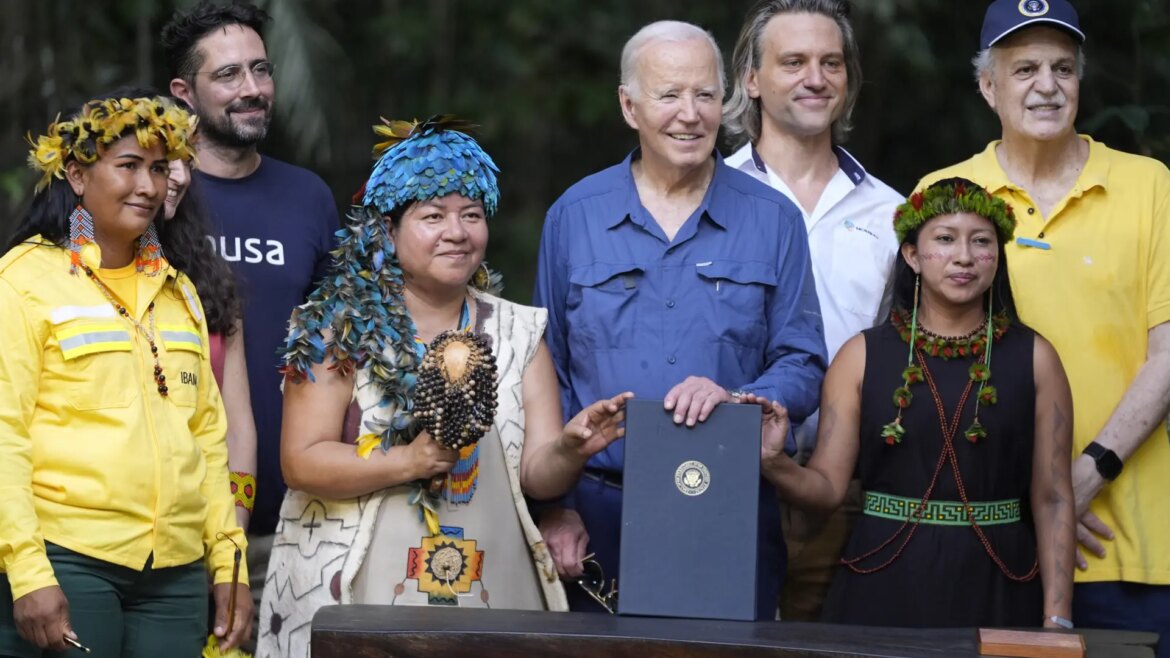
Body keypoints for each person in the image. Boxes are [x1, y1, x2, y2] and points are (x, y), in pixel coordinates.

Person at [256, 117, 629, 658]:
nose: (458, 232)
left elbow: (538, 476)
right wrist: (409, 461)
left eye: (472, 215)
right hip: (351, 585)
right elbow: (302, 461)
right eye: (433, 216)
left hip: (491, 585)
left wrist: (570, 448)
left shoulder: (518, 331)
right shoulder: (335, 329)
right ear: (385, 232)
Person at [533, 20, 828, 618]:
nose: (690, 114)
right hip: (597, 515)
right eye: (669, 95)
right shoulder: (575, 216)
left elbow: (802, 360)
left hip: (730, 504)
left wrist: (742, 397)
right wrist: (553, 508)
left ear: (726, 102)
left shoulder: (775, 219)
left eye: (705, 95)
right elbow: (547, 372)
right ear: (629, 105)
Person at [920, 0, 1170, 647]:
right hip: (991, 535)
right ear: (987, 86)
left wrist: (1085, 476)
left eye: (1064, 67)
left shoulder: (1150, 186)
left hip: (1129, 544)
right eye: (1025, 68)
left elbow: (1168, 351)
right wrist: (1034, 499)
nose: (1048, 85)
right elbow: (924, 371)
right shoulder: (944, 195)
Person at [756, 178, 1075, 627]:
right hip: (882, 578)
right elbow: (826, 489)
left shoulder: (1036, 359)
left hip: (1000, 579)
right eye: (945, 239)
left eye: (980, 241)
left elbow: (1054, 497)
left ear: (997, 255)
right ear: (912, 256)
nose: (964, 256)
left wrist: (1058, 619)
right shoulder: (860, 357)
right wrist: (774, 462)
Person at [0, 95, 251, 655]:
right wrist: (28, 572)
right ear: (77, 175)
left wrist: (229, 562)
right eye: (129, 165)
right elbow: (4, 435)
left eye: (159, 168)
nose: (148, 185)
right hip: (69, 558)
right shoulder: (24, 280)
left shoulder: (180, 291)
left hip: (176, 574)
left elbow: (209, 442)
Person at [722, 0, 902, 620]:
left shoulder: (892, 215)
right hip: (722, 478)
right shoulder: (709, 201)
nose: (815, 78)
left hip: (849, 493)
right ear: (751, 79)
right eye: (793, 62)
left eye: (831, 63)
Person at [161, 0, 340, 606]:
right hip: (173, 521)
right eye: (229, 75)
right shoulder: (152, 196)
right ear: (184, 92)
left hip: (292, 521)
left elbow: (339, 344)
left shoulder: (307, 196)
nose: (253, 89)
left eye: (261, 70)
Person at [162, 128, 258, 531]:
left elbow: (238, 431)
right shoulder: (51, 275)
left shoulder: (210, 281)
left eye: (185, 160)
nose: (180, 176)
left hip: (205, 530)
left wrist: (232, 534)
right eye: (159, 162)